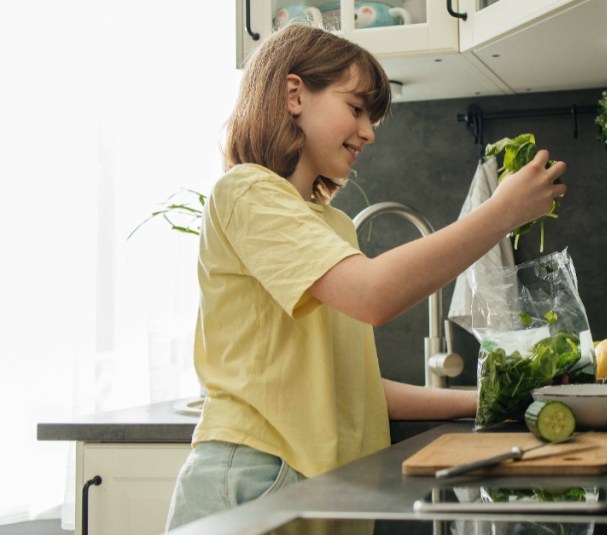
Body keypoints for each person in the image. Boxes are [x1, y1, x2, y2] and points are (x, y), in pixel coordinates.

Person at [165, 24, 567, 530]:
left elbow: (352, 385)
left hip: (320, 483)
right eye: (356, 109)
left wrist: (493, 401)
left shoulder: (331, 225)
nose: (369, 132)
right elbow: (373, 294)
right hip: (254, 475)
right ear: (294, 94)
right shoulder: (246, 191)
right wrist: (499, 214)